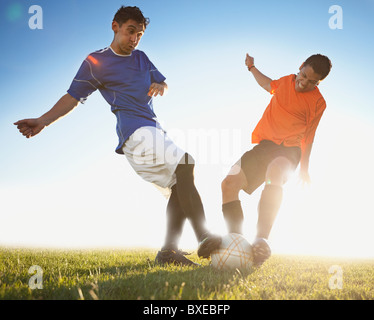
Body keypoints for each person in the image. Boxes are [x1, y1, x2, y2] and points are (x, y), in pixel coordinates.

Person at [14, 6, 220, 266]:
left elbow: (163, 84)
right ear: (115, 26)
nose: (134, 39)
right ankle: (204, 236)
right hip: (135, 133)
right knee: (186, 163)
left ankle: (168, 253)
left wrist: (160, 86)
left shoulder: (142, 58)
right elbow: (72, 98)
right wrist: (43, 120)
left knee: (181, 183)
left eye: (140, 34)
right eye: (130, 31)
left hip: (154, 130)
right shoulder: (95, 62)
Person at [204, 53, 332, 266]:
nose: (304, 83)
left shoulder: (318, 102)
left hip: (289, 152)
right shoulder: (285, 82)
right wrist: (252, 67)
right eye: (304, 76)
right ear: (300, 67)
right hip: (265, 146)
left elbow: (309, 137)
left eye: (313, 82)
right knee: (228, 183)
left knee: (275, 172)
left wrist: (304, 169)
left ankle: (262, 241)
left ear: (319, 83)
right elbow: (267, 84)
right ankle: (236, 240)